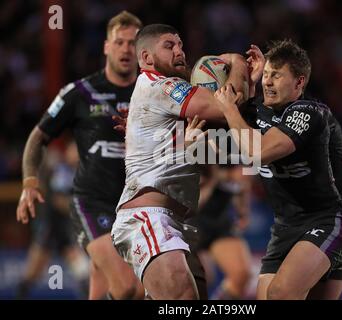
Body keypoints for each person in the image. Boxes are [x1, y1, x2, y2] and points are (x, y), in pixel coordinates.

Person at [215, 39, 342, 299]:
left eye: (277, 75)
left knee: (281, 294)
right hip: (286, 226)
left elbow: (259, 152)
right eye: (267, 74)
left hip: (332, 220)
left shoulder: (309, 113)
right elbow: (239, 132)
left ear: (299, 83)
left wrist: (229, 109)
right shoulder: (260, 113)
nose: (268, 82)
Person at [111, 23, 249, 300]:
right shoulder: (163, 86)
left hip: (172, 221)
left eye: (181, 45)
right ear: (147, 58)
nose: (179, 51)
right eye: (169, 45)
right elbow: (225, 108)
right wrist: (236, 62)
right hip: (148, 219)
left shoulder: (158, 93)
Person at [16, 11, 145, 300]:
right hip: (92, 203)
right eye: (119, 42)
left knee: (109, 292)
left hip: (138, 207)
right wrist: (29, 182)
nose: (126, 49)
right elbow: (38, 137)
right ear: (106, 47)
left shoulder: (153, 93)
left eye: (132, 43)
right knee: (127, 288)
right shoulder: (80, 93)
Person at [16, 141, 89, 299]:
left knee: (82, 273)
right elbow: (58, 200)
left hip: (68, 229)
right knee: (32, 272)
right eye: (73, 150)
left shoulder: (82, 172)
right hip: (50, 225)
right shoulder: (62, 170)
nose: (76, 154)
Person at [189, 164, 252, 300]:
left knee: (241, 275)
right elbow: (191, 202)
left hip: (219, 222)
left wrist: (243, 211)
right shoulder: (201, 152)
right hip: (190, 223)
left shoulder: (241, 151)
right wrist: (217, 177)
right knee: (197, 284)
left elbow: (243, 183)